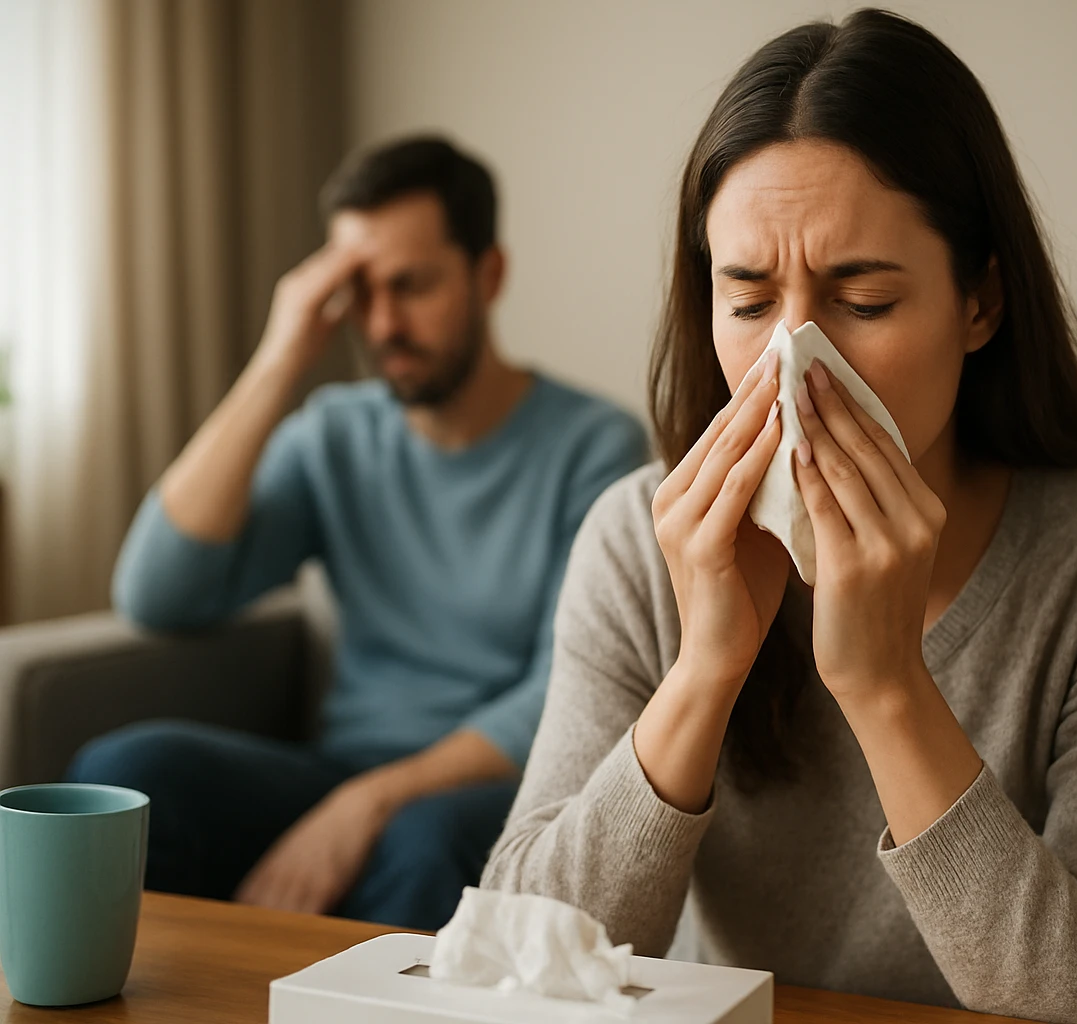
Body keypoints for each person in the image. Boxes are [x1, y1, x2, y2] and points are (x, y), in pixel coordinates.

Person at [482, 10, 1077, 1024]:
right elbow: (514, 964)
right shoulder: (637, 537)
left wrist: (887, 686)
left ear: (980, 304)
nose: (796, 369)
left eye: (866, 303)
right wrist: (705, 671)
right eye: (749, 304)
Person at [66, 136, 650, 932]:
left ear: (489, 275)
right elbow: (158, 595)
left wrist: (371, 801)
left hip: (496, 786)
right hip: (339, 772)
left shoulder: (594, 446)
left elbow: (565, 693)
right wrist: (280, 359)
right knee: (122, 774)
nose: (381, 323)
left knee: (423, 838)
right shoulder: (336, 436)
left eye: (410, 287)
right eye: (358, 291)